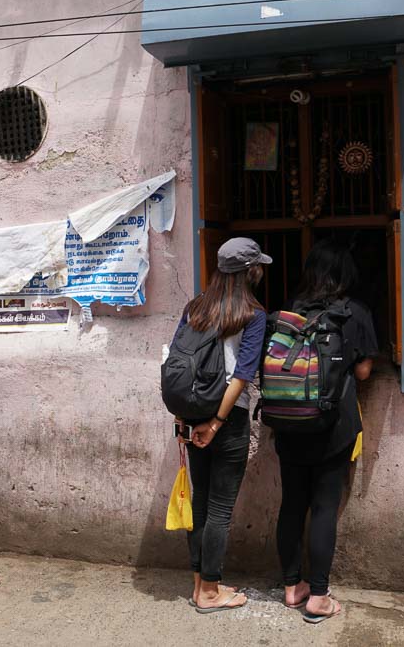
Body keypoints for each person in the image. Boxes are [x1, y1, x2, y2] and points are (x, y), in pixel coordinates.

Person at [273, 239, 378, 623]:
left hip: (288, 425)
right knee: (323, 508)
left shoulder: (288, 311)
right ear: (346, 273)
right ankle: (318, 596)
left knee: (291, 504)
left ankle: (290, 586)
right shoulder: (356, 314)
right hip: (333, 428)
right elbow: (364, 371)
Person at [171, 237, 271, 614]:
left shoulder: (195, 307)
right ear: (250, 271)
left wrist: (187, 417)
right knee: (220, 509)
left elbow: (179, 362)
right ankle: (211, 591)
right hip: (226, 420)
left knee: (201, 502)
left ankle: (200, 583)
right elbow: (242, 375)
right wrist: (216, 422)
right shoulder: (252, 314)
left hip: (194, 413)